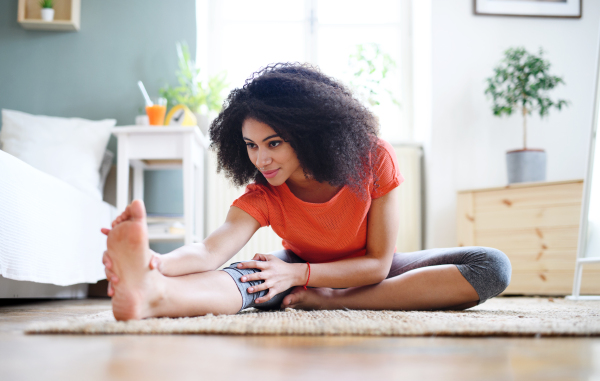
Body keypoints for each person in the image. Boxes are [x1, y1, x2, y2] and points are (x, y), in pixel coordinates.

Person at [101, 63, 511, 321]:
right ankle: (154, 295)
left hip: (362, 272)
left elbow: (377, 266)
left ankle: (323, 301)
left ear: (310, 132)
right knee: (250, 278)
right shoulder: (264, 193)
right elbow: (210, 251)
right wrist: (155, 263)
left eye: (274, 143)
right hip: (297, 267)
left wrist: (310, 285)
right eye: (251, 146)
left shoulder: (373, 158)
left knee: (492, 266)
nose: (261, 159)